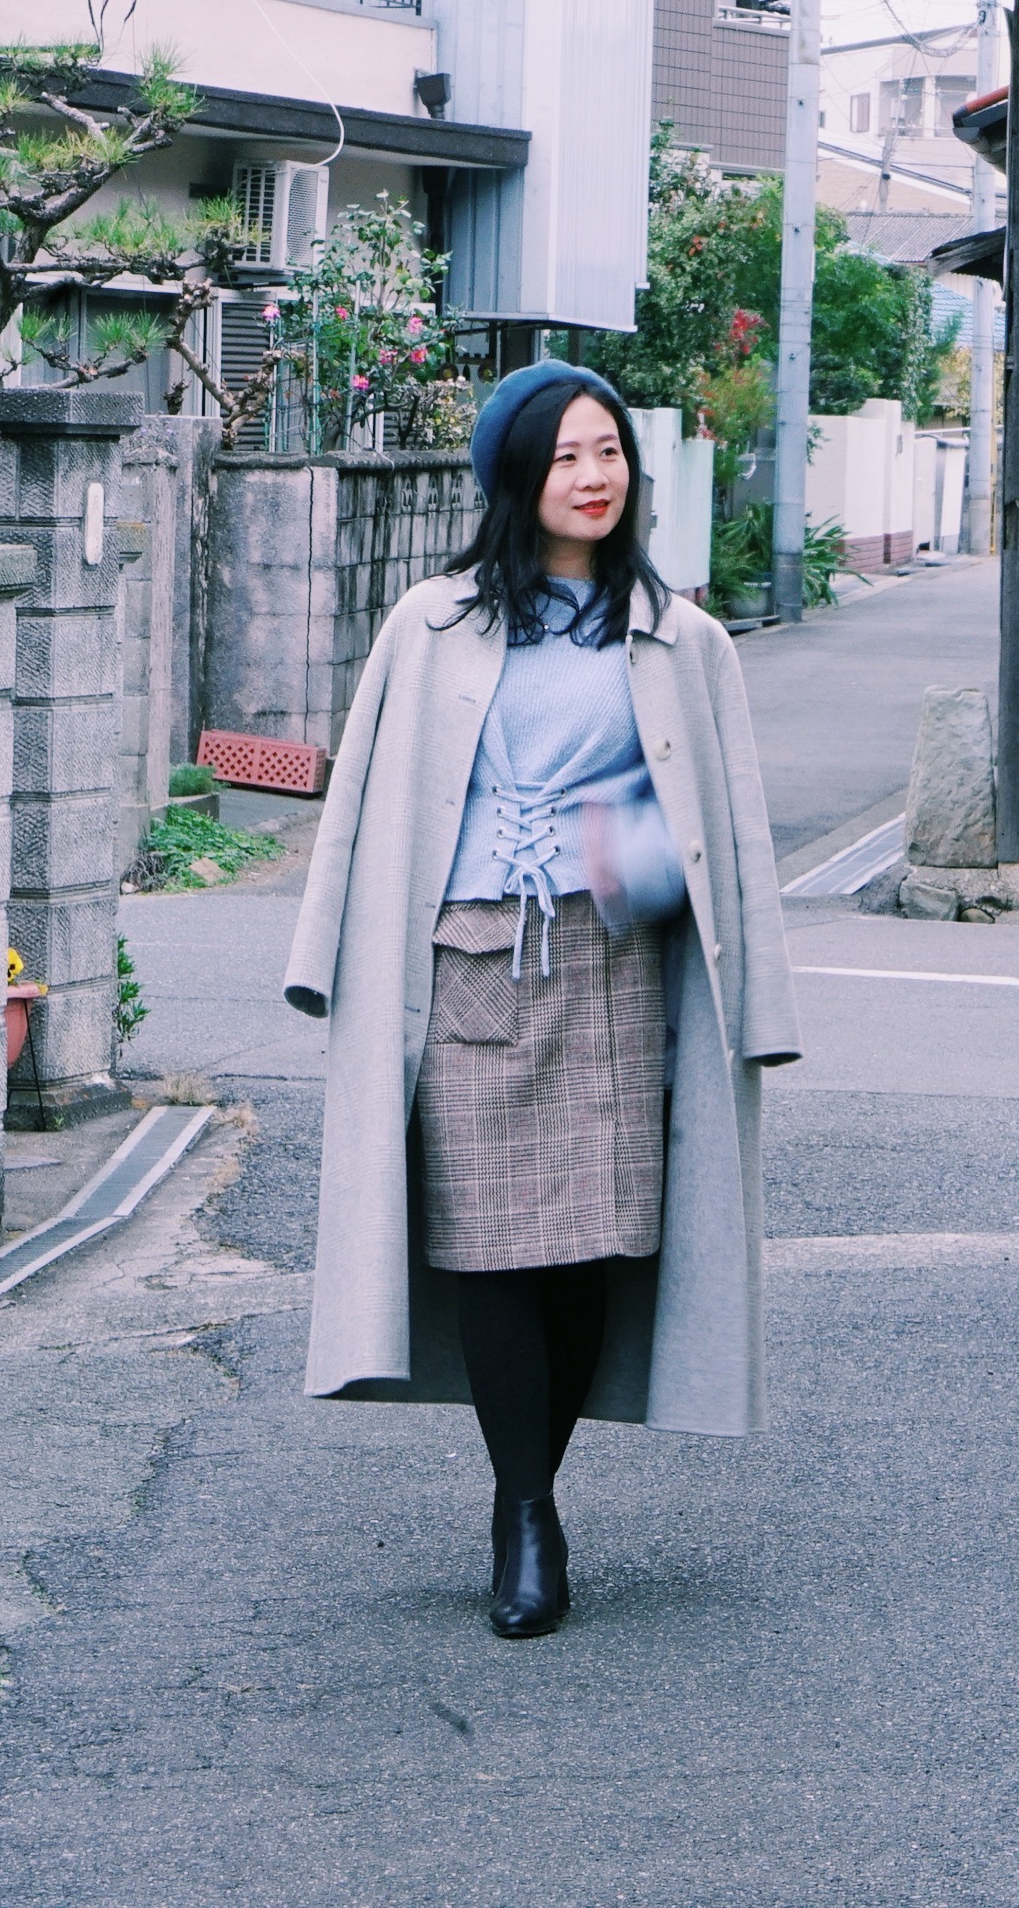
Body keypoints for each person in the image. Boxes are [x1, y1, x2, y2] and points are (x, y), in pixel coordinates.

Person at [284, 362, 800, 1638]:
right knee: (491, 1246)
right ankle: (526, 1511)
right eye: (567, 453)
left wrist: (622, 848)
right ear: (517, 474)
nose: (594, 474)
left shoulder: (685, 638)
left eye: (610, 451)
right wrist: (321, 957)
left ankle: (535, 1490)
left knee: (592, 1249)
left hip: (613, 964)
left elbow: (726, 835)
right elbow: (366, 806)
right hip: (466, 957)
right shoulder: (435, 623)